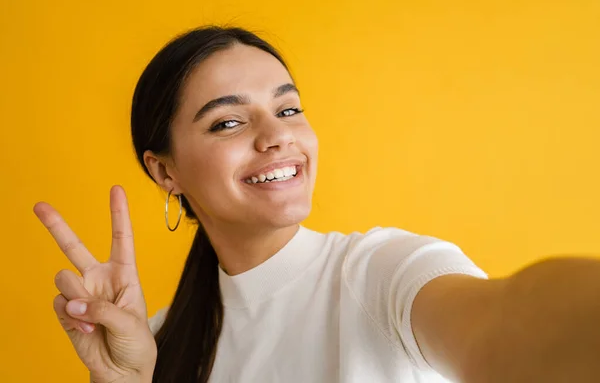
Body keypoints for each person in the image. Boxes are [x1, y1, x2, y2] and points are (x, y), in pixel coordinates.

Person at [34, 26, 600, 383]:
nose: (275, 136)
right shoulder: (153, 344)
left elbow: (509, 321)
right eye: (229, 121)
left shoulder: (383, 274)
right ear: (165, 171)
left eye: (287, 109)